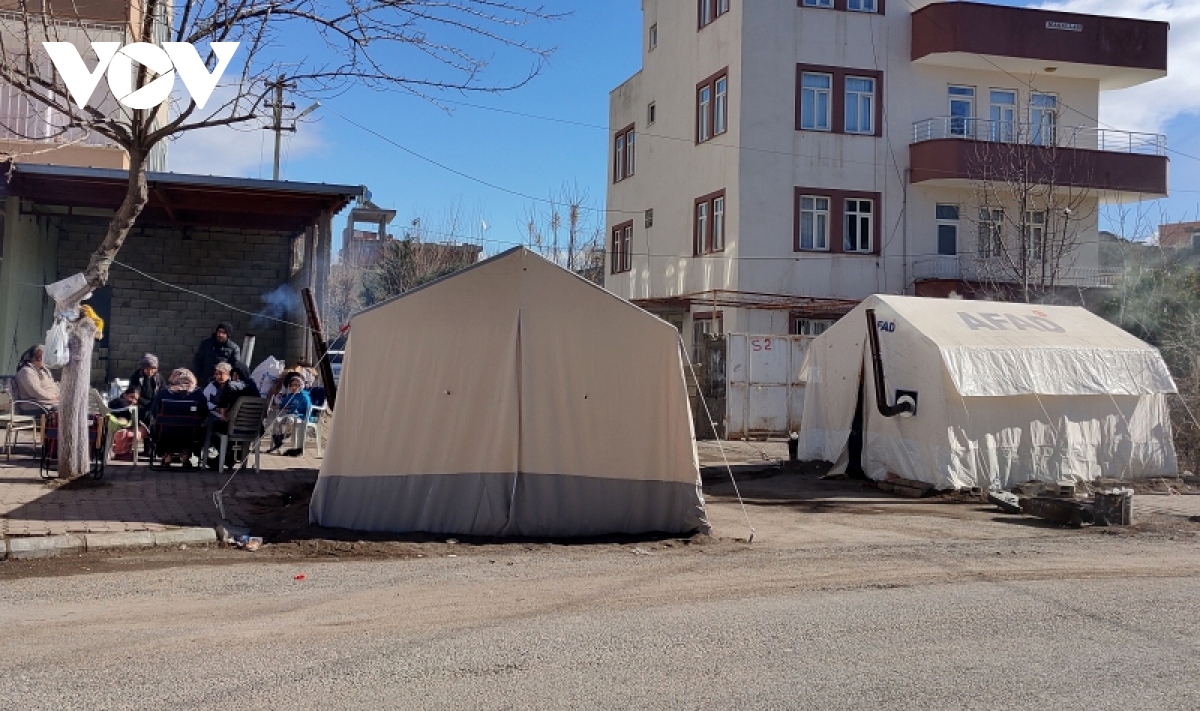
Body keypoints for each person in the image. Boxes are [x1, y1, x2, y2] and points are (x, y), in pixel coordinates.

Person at [148, 368, 207, 467]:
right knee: (196, 429)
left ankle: (167, 455)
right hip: (191, 435)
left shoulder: (163, 393)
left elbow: (154, 412)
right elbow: (204, 413)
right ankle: (185, 455)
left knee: (161, 427)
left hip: (164, 434)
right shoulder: (198, 394)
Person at [269, 372, 311, 457]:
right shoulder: (290, 396)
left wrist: (301, 414)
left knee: (289, 420)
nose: (294, 387)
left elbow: (309, 408)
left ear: (301, 386)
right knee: (277, 420)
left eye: (296, 385)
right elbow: (282, 405)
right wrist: (273, 407)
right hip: (290, 415)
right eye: (292, 385)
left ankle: (286, 438)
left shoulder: (304, 396)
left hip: (300, 417)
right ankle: (278, 440)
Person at [13, 345, 60, 416]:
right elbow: (35, 391)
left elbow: (52, 385)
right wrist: (53, 397)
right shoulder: (26, 371)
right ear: (38, 357)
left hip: (49, 403)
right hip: (35, 406)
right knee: (65, 411)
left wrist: (60, 394)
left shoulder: (44, 370)